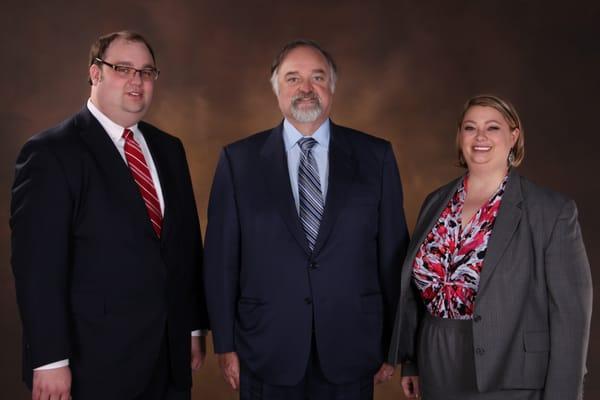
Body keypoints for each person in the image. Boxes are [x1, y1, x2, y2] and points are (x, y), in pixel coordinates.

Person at [203, 39, 409, 399]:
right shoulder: (239, 161)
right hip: (264, 347)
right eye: (293, 78)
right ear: (276, 89)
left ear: (332, 87)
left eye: (317, 77)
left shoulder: (375, 157)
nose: (306, 89)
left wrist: (394, 345)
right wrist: (224, 343)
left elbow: (393, 256)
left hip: (354, 346)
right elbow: (221, 261)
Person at [10, 30, 209, 400]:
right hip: (94, 364)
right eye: (123, 68)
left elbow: (184, 246)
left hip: (169, 357)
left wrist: (193, 326)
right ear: (95, 74)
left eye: (147, 72)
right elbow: (38, 267)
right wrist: (50, 361)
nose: (137, 80)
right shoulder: (51, 153)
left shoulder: (169, 148)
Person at [389, 94, 592, 400]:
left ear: (514, 136)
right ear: (460, 137)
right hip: (437, 368)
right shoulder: (436, 202)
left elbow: (572, 315)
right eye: (470, 128)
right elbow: (419, 295)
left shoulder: (551, 211)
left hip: (511, 373)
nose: (480, 136)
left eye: (492, 127)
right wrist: (412, 362)